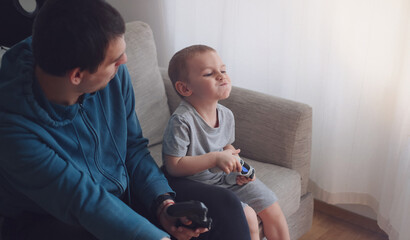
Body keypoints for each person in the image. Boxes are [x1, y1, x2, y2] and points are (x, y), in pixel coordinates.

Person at [0, 0, 252, 239]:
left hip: (121, 193)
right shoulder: (13, 129)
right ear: (77, 75)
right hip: (54, 218)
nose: (125, 61)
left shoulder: (112, 75)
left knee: (225, 207)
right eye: (115, 61)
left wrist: (163, 203)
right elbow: (82, 201)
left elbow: (133, 147)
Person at [162, 45, 291, 240]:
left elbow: (227, 147)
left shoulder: (226, 114)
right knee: (247, 216)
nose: (221, 76)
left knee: (271, 205)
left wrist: (239, 166)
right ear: (185, 88)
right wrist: (215, 159)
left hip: (224, 178)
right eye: (209, 74)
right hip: (195, 185)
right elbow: (173, 166)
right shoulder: (182, 121)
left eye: (223, 70)